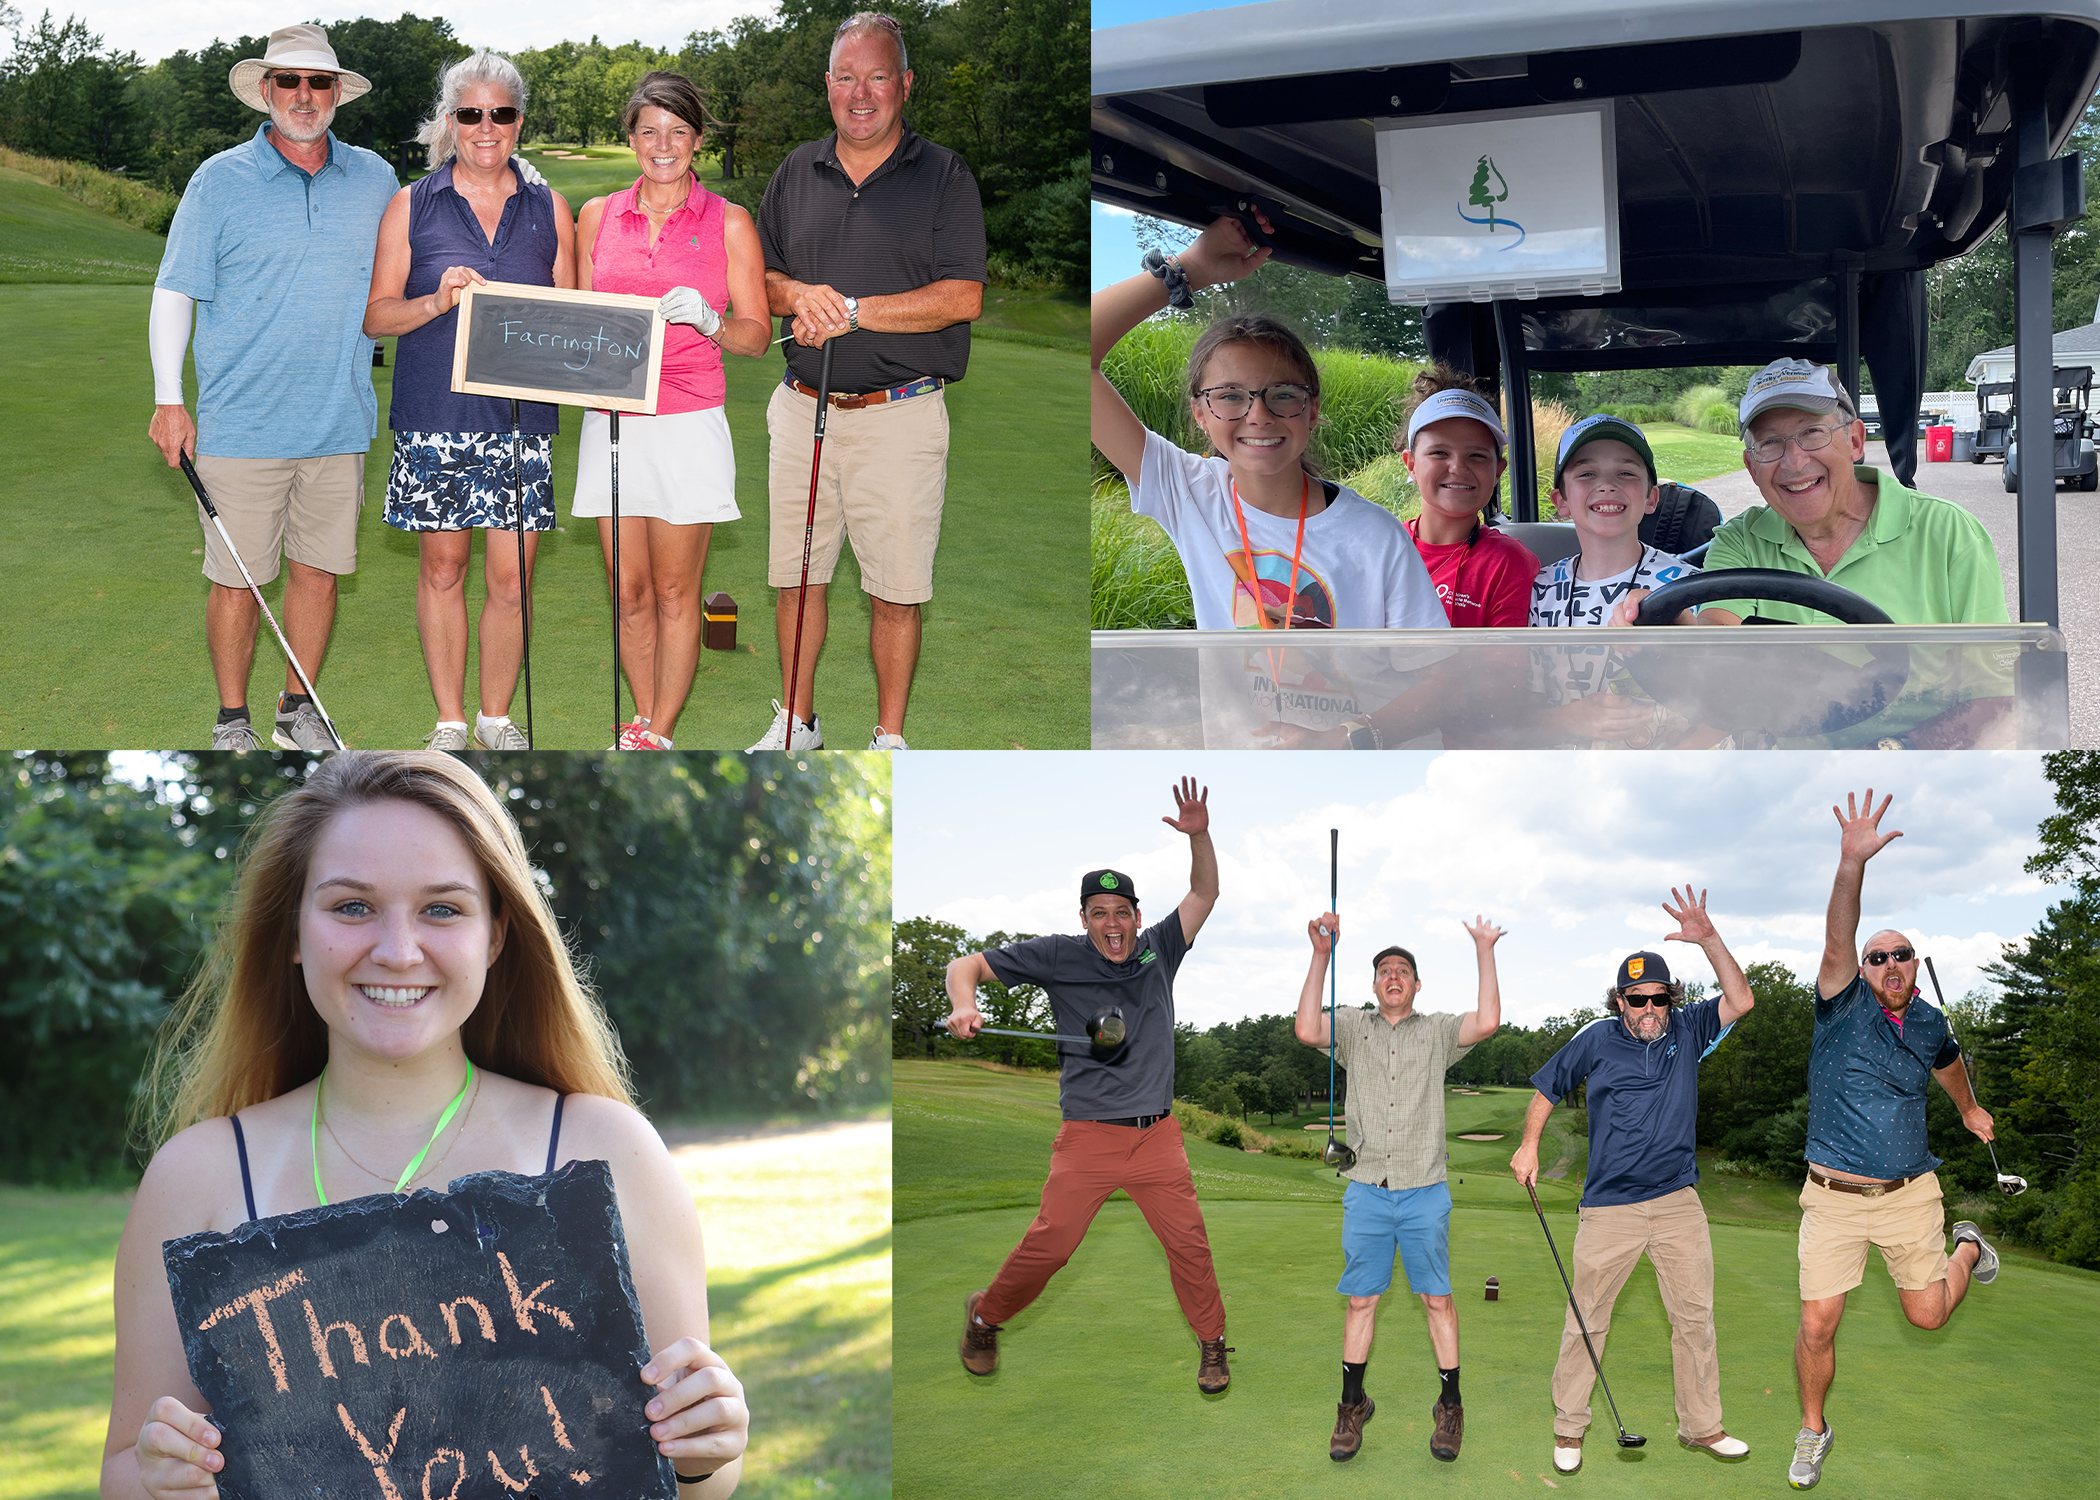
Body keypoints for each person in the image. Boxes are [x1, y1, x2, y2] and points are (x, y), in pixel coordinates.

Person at [100, 752, 749, 1499]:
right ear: (292, 933)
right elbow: (125, 1468)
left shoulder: (607, 1149)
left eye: (442, 908)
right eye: (351, 907)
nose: (398, 950)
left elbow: (682, 1474)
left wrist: (706, 1448)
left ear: (497, 935)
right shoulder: (199, 1176)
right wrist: (165, 1479)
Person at [146, 24, 399, 750]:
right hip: (241, 422)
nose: (303, 96)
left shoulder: (377, 178)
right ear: (266, 90)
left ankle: (298, 707)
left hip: (339, 419)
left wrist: (523, 179)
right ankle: (233, 720)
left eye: (318, 83)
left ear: (336, 95)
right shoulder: (218, 180)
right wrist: (170, 400)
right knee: (238, 582)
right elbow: (175, 291)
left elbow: (433, 223)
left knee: (318, 575)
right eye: (288, 81)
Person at [748, 11, 986, 752]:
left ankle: (889, 739)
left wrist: (852, 311)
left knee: (896, 588)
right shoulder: (797, 169)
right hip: (801, 409)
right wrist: (799, 298)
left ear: (904, 84)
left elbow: (961, 296)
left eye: (877, 77)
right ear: (827, 85)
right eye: (846, 77)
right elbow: (761, 275)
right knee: (796, 576)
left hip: (900, 413)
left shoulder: (944, 174)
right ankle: (797, 722)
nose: (861, 93)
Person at [945, 778, 1230, 1392]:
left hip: (1157, 1136)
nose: (1112, 923)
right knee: (1052, 1246)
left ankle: (1213, 1343)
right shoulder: (1057, 955)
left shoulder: (1160, 950)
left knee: (1191, 1248)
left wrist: (1199, 834)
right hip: (1087, 1137)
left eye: (1122, 912)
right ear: (1084, 919)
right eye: (1099, 913)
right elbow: (962, 964)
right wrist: (964, 1005)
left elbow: (1205, 890)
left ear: (1135, 917)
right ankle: (985, 1317)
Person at [1092, 212, 1446, 636]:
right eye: (1229, 396)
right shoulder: (1189, 492)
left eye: (1282, 394)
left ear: (1312, 411)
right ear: (1200, 415)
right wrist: (1191, 269)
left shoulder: (1377, 538)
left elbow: (1429, 670)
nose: (1258, 416)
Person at [1786, 788, 2000, 1491]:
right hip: (1834, 1196)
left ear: (1915, 964)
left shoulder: (1933, 1021)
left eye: (1902, 955)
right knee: (1817, 1325)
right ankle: (1814, 1431)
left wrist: (1968, 1110)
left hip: (1911, 1193)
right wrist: (1852, 864)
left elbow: (1948, 1066)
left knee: (1929, 1316)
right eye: (1879, 956)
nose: (1890, 964)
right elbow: (1838, 937)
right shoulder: (1840, 1003)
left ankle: (1968, 1244)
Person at [363, 51, 576, 751]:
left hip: (522, 421)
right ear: (450, 121)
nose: (487, 128)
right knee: (443, 568)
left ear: (519, 121)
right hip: (435, 417)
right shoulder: (411, 203)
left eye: (502, 114)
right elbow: (377, 317)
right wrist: (435, 300)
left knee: (512, 577)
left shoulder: (550, 208)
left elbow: (576, 317)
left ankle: (496, 716)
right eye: (471, 113)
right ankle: (452, 722)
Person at [1509, 893, 1758, 1475]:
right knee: (1587, 1318)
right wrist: (1529, 1144)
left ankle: (1703, 1427)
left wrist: (1709, 938)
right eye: (1637, 998)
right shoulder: (1597, 1038)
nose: (1649, 1007)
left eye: (1659, 997)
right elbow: (1548, 1089)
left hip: (1677, 1201)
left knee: (1694, 1317)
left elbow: (1742, 999)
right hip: (1609, 1207)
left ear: (1672, 997)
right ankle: (1569, 1431)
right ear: (1620, 999)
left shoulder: (1691, 1029)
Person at [574, 72, 771, 750]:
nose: (663, 145)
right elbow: (572, 322)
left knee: (675, 592)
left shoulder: (731, 222)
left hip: (689, 420)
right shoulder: (597, 216)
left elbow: (755, 335)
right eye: (649, 131)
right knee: (627, 591)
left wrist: (711, 320)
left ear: (698, 140)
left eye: (678, 132)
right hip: (613, 419)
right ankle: (643, 716)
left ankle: (657, 730)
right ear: (630, 137)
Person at [1293, 911, 1503, 1464]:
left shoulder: (1436, 1031)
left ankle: (1450, 1405)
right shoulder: (1351, 1025)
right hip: (1366, 1187)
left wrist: (1485, 948)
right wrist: (1321, 954)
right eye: (1384, 969)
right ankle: (1351, 1403)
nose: (1393, 976)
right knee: (1362, 1299)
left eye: (1402, 970)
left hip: (1424, 1188)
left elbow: (1487, 1021)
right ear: (1373, 984)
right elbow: (1305, 1030)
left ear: (1415, 984)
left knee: (1437, 1299)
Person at [1701, 360, 2009, 627]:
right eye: (1769, 443)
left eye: (1812, 432)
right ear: (1752, 467)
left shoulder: (1949, 533)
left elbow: (1990, 679)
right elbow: (1714, 639)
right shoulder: (1741, 541)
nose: (1794, 462)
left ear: (1855, 441)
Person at [1527, 415, 1720, 748]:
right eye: (1587, 474)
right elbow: (1518, 712)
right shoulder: (1537, 590)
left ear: (1651, 498)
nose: (1607, 485)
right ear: (1560, 501)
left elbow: (1721, 700)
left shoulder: (1691, 588)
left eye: (1626, 473)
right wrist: (1568, 719)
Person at [1398, 369, 1538, 626]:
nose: (1458, 468)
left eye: (1476, 456)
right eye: (1439, 452)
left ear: (1498, 471)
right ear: (1411, 465)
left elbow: (1507, 664)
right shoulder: (1385, 550)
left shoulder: (1509, 563)